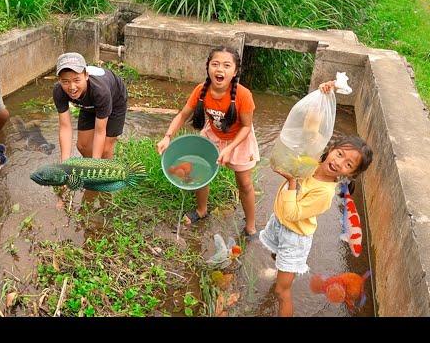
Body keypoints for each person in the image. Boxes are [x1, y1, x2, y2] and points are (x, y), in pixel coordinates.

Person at [260, 83, 373, 316]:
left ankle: (283, 282)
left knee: (283, 292)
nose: (339, 162)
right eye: (339, 154)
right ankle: (281, 270)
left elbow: (293, 214)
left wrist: (292, 181)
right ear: (332, 148)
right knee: (275, 254)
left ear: (350, 174)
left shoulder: (325, 193)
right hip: (279, 222)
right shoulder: (314, 158)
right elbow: (310, 127)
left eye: (348, 164)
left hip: (295, 236)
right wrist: (324, 95)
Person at [156, 46, 260, 235]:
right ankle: (202, 210)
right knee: (202, 169)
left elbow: (246, 127)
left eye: (227, 65)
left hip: (239, 140)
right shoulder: (201, 91)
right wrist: (167, 136)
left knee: (244, 184)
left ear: (235, 71)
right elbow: (182, 115)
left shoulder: (244, 95)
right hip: (214, 135)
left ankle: (251, 225)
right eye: (215, 64)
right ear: (208, 68)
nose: (220, 69)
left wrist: (229, 149)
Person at [53, 52, 128, 162]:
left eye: (77, 80)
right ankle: (92, 172)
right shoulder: (59, 91)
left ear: (86, 76)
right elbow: (65, 127)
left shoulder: (100, 91)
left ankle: (106, 176)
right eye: (65, 81)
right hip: (89, 104)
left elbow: (100, 131)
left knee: (105, 150)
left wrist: (95, 164)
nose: (72, 87)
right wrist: (64, 163)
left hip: (115, 100)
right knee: (83, 146)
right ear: (59, 80)